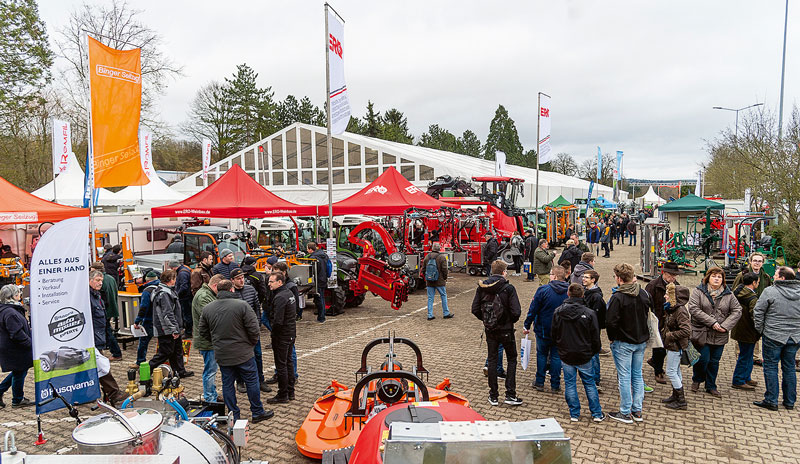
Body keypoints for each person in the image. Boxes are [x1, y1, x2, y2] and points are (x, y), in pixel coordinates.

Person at [198, 279, 273, 423]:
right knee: (252, 381)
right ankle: (257, 412)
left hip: (223, 354)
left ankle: (234, 415)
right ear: (232, 290)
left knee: (227, 384)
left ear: (218, 291)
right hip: (243, 353)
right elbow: (254, 329)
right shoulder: (242, 306)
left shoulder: (208, 308)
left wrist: (217, 343)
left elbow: (203, 332)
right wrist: (250, 344)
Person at [471, 260, 523, 406]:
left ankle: (493, 395)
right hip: (506, 329)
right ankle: (510, 394)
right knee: (512, 359)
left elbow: (475, 309)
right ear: (503, 272)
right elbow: (516, 311)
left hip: (490, 329)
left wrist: (487, 320)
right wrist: (508, 321)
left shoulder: (482, 287)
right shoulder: (508, 288)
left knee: (492, 360)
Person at [606, 263, 651, 424]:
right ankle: (637, 410)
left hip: (623, 342)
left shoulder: (618, 297)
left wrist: (611, 337)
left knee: (624, 377)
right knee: (637, 375)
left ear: (619, 278)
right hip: (641, 340)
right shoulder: (643, 293)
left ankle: (625, 412)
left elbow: (610, 321)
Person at [552, 283, 604, 422]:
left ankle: (574, 413)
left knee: (570, 383)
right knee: (589, 383)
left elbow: (554, 333)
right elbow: (595, 337)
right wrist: (593, 351)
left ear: (568, 294)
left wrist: (560, 347)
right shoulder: (589, 313)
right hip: (584, 354)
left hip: (566, 354)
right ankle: (597, 413)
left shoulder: (558, 312)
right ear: (582, 295)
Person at [688, 267, 741, 397]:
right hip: (702, 332)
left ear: (723, 280)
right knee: (703, 359)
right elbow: (694, 308)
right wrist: (712, 322)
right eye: (714, 276)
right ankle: (697, 379)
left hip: (720, 334)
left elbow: (737, 310)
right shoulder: (698, 291)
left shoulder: (728, 294)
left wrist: (725, 326)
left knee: (714, 361)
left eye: (719, 277)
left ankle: (711, 385)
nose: (716, 279)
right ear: (708, 278)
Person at [753, 266, 800, 411]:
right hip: (795, 337)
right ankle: (789, 401)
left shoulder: (770, 291)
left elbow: (758, 311)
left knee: (771, 367)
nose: (773, 276)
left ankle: (771, 400)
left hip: (773, 335)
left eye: (776, 275)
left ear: (782, 278)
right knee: (789, 367)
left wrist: (761, 330)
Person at [524, 265, 570, 392]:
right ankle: (555, 384)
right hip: (561, 331)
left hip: (543, 329)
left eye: (550, 274)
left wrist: (527, 324)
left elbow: (533, 309)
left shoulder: (543, 290)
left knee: (542, 355)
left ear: (554, 276)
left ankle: (540, 381)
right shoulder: (570, 291)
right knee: (556, 356)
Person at [89, 270, 126, 406]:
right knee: (102, 368)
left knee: (97, 367)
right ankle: (113, 393)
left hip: (98, 337)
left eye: (101, 280)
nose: (100, 283)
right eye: (98, 280)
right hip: (92, 339)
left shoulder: (96, 295)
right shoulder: (87, 297)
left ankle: (105, 395)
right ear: (90, 280)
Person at [148, 269, 194, 378]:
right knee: (166, 352)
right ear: (170, 279)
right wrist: (174, 329)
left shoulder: (164, 290)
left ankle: (180, 371)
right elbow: (167, 313)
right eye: (175, 278)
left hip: (171, 327)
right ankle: (148, 368)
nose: (176, 281)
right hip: (166, 329)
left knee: (177, 350)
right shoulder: (164, 293)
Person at [231, 268, 270, 393]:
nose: (241, 280)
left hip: (253, 330)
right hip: (239, 333)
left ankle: (260, 380)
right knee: (239, 358)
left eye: (242, 278)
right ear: (232, 281)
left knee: (258, 355)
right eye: (238, 279)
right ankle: (240, 381)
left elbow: (257, 307)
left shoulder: (250, 289)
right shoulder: (230, 293)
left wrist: (257, 323)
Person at [645, 262, 683, 385]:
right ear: (664, 273)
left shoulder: (676, 286)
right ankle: (658, 371)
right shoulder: (653, 285)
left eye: (675, 275)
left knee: (666, 346)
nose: (673, 278)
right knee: (659, 347)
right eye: (671, 275)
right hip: (657, 320)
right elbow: (647, 303)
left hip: (670, 321)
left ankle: (654, 361)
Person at [732, 253, 773, 365]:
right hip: (744, 308)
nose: (757, 263)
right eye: (754, 260)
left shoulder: (766, 277)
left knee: (755, 332)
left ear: (762, 263)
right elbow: (734, 291)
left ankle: (754, 356)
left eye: (759, 261)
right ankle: (739, 354)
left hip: (760, 307)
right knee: (744, 333)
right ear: (750, 262)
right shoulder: (742, 275)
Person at [267, 271, 298, 404]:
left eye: (271, 282)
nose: (269, 284)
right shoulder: (288, 293)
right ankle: (290, 392)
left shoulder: (280, 297)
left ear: (280, 282)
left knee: (281, 365)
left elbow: (278, 320)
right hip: (290, 333)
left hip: (283, 336)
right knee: (288, 362)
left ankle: (283, 394)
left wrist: (274, 334)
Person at [0, 284, 33, 408]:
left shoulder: (8, 309)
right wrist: (29, 343)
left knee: (19, 371)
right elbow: (16, 333)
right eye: (18, 293)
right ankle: (17, 399)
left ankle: (1, 391)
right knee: (20, 371)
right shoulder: (10, 312)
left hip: (13, 347)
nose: (20, 295)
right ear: (13, 296)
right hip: (15, 348)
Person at [660, 284, 691, 410]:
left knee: (671, 372)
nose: (665, 296)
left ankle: (681, 400)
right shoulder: (672, 308)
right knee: (676, 371)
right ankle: (675, 396)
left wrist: (669, 335)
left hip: (676, 346)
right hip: (673, 345)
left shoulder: (680, 311)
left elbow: (686, 330)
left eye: (667, 294)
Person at [192, 274, 223, 402]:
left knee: (212, 369)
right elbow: (212, 317)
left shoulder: (209, 294)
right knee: (210, 370)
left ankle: (212, 393)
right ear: (215, 285)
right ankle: (210, 398)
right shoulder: (204, 296)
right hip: (207, 341)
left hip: (210, 339)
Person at [731, 272, 761, 391]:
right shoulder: (752, 298)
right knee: (745, 356)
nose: (758, 284)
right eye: (757, 282)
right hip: (748, 330)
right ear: (753, 283)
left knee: (748, 355)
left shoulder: (739, 291)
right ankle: (738, 380)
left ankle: (746, 377)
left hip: (740, 328)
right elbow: (755, 315)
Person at [90, 262, 122, 361]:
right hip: (111, 309)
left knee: (107, 332)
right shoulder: (111, 278)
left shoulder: (99, 283)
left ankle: (116, 353)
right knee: (108, 331)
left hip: (103, 311)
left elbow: (103, 298)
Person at [582, 269, 608, 380]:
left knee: (594, 355)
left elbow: (596, 315)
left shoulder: (596, 297)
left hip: (592, 329)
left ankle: (596, 377)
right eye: (583, 276)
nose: (583, 278)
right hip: (585, 328)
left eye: (586, 277)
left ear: (593, 280)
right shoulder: (585, 292)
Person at [134, 271, 160, 364]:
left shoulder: (147, 291)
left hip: (149, 320)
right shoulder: (161, 288)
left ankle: (140, 361)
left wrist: (137, 321)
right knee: (161, 341)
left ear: (146, 280)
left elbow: (144, 308)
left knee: (143, 342)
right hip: (160, 319)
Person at [422, 243, 452, 321]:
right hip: (440, 280)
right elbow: (444, 269)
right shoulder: (442, 257)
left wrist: (426, 277)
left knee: (430, 298)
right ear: (439, 249)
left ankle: (430, 315)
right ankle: (446, 313)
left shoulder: (427, 257)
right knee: (443, 296)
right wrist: (445, 278)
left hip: (429, 281)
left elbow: (423, 269)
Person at [307, 242, 329, 321]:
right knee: (322, 298)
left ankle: (321, 317)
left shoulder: (314, 258)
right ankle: (322, 316)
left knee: (319, 299)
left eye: (307, 249)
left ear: (310, 249)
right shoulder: (323, 255)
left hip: (318, 280)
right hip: (324, 278)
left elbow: (314, 271)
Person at [174, 260, 194, 338]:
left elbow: (184, 287)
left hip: (185, 298)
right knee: (187, 315)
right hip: (187, 297)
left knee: (187, 315)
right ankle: (188, 331)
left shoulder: (182, 273)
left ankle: (188, 332)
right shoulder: (185, 269)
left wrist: (177, 294)